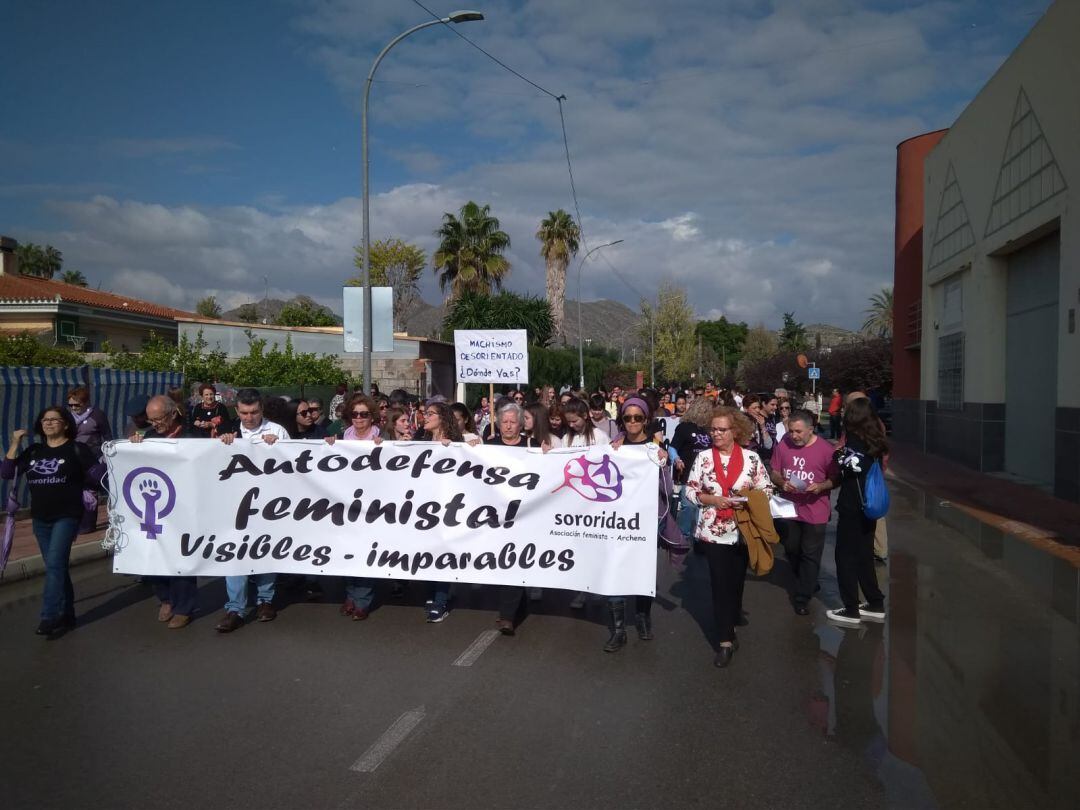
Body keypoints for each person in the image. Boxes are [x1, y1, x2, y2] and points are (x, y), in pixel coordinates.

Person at [3, 406, 104, 637]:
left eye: (54, 420)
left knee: (56, 565)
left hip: (67, 516)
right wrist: (15, 443)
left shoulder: (76, 450)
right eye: (45, 420)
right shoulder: (34, 451)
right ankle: (67, 614)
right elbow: (7, 472)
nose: (48, 423)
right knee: (55, 568)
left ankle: (50, 616)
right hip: (40, 518)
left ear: (66, 424)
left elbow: (99, 474)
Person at [685, 406, 772, 668]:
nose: (716, 434)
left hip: (744, 530)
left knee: (735, 582)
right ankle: (724, 640)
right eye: (713, 429)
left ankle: (731, 615)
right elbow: (689, 492)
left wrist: (747, 499)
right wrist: (712, 499)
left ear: (735, 431)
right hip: (713, 532)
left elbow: (766, 488)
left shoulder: (752, 458)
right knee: (720, 584)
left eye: (722, 430)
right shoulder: (702, 458)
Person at [214, 389, 290, 633]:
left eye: (254, 412)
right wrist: (223, 445)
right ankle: (235, 608)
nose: (249, 417)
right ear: (237, 411)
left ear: (262, 410)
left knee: (265, 550)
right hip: (235, 505)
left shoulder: (277, 431)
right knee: (235, 555)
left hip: (269, 503)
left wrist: (278, 448)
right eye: (244, 413)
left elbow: (295, 463)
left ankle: (265, 600)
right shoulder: (228, 432)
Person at [603, 397, 668, 651]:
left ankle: (642, 617)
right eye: (627, 418)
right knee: (614, 571)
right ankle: (618, 629)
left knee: (642, 570)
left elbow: (667, 488)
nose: (632, 422)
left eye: (637, 418)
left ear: (646, 420)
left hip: (646, 520)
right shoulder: (613, 447)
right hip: (615, 522)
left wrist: (663, 461)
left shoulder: (655, 448)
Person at [130, 396, 199, 628]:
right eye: (151, 420)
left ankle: (183, 608)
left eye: (158, 419)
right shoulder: (149, 437)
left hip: (184, 507)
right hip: (156, 507)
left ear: (172, 414)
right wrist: (134, 447)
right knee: (154, 555)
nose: (154, 424)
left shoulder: (191, 436)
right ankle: (165, 598)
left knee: (180, 557)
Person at [827, 398, 888, 626]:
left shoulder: (855, 438)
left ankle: (850, 607)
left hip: (854, 502)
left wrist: (837, 456)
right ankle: (874, 602)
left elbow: (854, 465)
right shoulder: (876, 437)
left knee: (845, 556)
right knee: (864, 554)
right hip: (870, 502)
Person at [770, 410, 838, 616]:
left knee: (811, 554)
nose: (794, 436)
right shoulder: (783, 445)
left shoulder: (826, 450)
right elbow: (774, 472)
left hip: (815, 509)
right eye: (791, 431)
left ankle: (802, 597)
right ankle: (808, 580)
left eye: (799, 432)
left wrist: (821, 486)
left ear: (811, 429)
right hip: (789, 508)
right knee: (791, 548)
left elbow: (835, 479)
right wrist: (782, 482)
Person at [484, 403, 539, 635]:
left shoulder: (532, 446)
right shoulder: (489, 446)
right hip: (497, 515)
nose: (508, 426)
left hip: (525, 514)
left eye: (512, 422)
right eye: (504, 422)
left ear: (521, 424)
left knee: (512, 560)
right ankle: (518, 604)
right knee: (502, 562)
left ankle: (507, 616)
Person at [414, 402, 463, 622]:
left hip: (446, 506)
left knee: (442, 552)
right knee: (426, 551)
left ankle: (441, 599)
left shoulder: (457, 444)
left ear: (442, 418)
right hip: (422, 506)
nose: (425, 417)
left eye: (430, 414)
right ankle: (431, 592)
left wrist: (453, 448)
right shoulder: (419, 441)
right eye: (425, 413)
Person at [66, 386, 112, 533]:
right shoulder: (67, 417)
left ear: (85, 403)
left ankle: (88, 524)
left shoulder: (97, 415)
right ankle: (74, 521)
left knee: (90, 490)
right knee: (74, 490)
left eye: (77, 405)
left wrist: (106, 456)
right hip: (73, 457)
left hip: (93, 458)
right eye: (71, 405)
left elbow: (107, 435)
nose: (74, 408)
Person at [670, 394, 715, 542]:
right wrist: (676, 459)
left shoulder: (710, 430)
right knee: (689, 506)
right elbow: (672, 448)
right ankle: (683, 535)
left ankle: (699, 535)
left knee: (703, 507)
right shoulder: (684, 427)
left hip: (706, 475)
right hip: (687, 473)